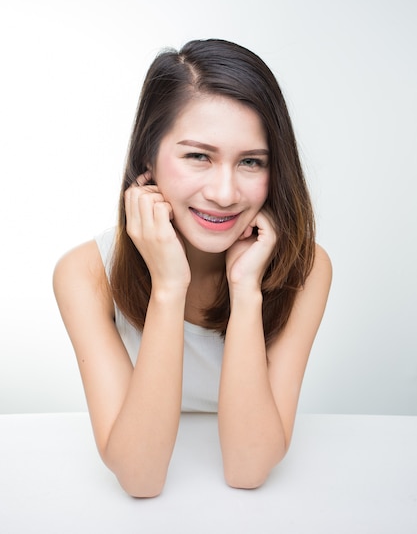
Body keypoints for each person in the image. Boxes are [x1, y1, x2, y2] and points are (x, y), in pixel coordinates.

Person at [53, 38, 332, 498]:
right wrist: (168, 287)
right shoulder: (85, 274)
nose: (225, 193)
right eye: (198, 156)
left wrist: (246, 291)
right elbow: (140, 478)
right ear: (148, 157)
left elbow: (248, 468)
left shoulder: (305, 268)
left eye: (251, 162)